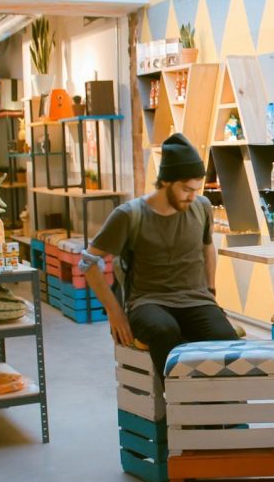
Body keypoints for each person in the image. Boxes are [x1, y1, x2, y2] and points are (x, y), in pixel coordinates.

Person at [80, 132, 237, 376]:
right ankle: (176, 396)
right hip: (148, 302)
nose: (192, 197)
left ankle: (217, 399)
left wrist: (211, 291)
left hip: (195, 299)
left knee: (226, 340)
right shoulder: (129, 215)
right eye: (186, 189)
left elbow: (207, 246)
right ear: (165, 182)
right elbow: (88, 262)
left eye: (196, 189)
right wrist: (115, 313)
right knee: (165, 331)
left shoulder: (201, 207)